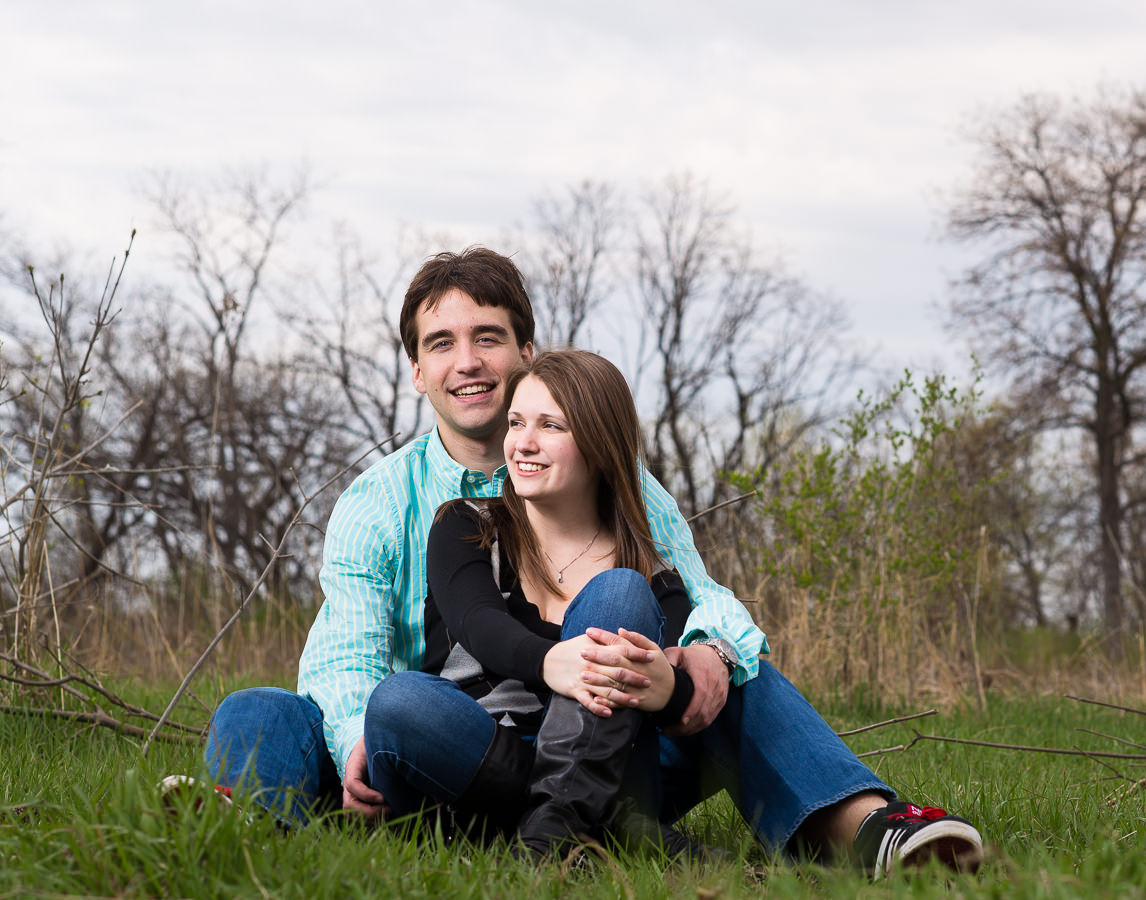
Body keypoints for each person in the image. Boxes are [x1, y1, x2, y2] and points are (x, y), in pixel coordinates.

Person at [203, 246, 983, 875]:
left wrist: (708, 655)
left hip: (609, 740)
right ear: (416, 371)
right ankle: (240, 828)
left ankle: (866, 827)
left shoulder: (618, 484)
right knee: (265, 710)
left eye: (488, 338)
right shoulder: (386, 505)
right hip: (448, 747)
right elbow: (345, 659)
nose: (467, 362)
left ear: (525, 352)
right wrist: (355, 741)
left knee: (741, 674)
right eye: (442, 344)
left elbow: (694, 595)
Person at [365, 350, 701, 855]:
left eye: (550, 426)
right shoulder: (467, 526)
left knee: (620, 592)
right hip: (481, 751)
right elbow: (478, 623)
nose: (522, 443)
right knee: (399, 700)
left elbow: (666, 700)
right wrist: (550, 662)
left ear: (599, 443)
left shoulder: (655, 581)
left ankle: (551, 832)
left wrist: (670, 690)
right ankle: (602, 823)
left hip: (610, 761)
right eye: (517, 422)